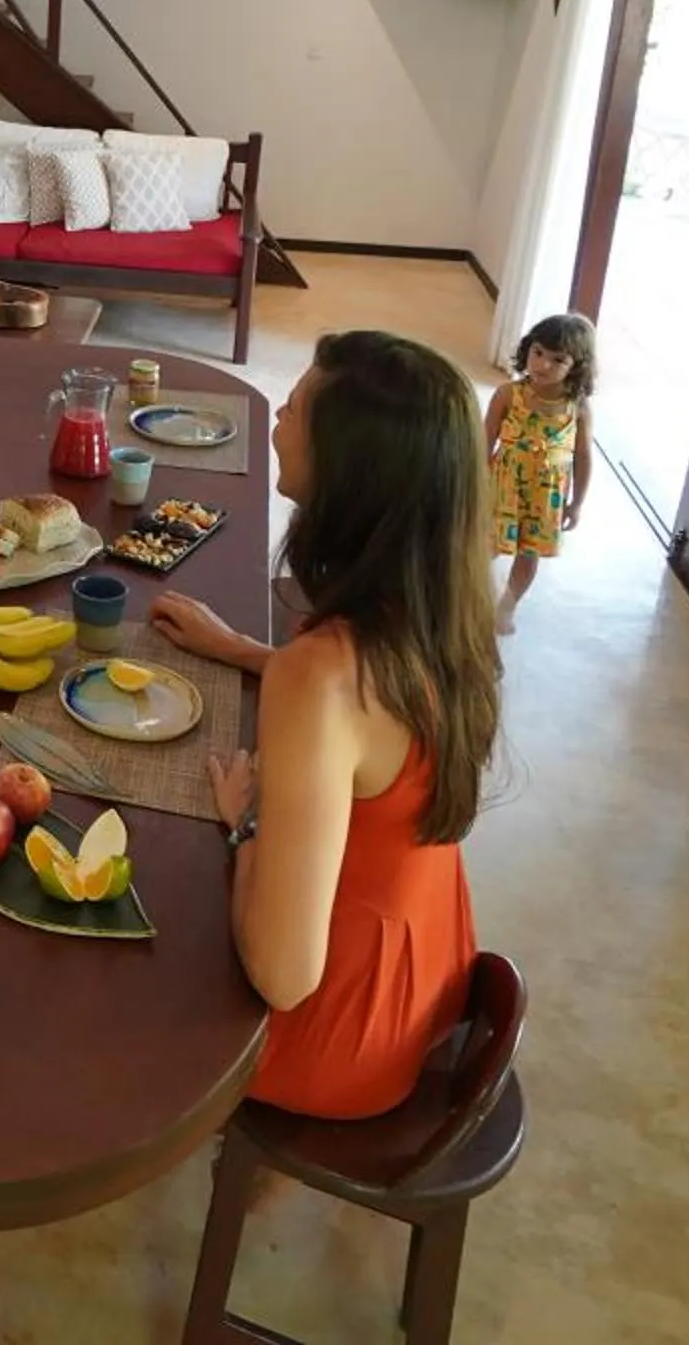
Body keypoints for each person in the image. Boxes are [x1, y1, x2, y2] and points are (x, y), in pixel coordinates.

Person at [151, 330, 500, 1120]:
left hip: (339, 1034)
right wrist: (243, 650)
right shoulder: (443, 609)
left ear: (349, 470)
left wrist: (247, 828)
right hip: (424, 975)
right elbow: (368, 726)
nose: (278, 413)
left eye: (298, 406)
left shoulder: (322, 676)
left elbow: (283, 976)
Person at [485, 312, 595, 635]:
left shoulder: (578, 408)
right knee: (486, 545)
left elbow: (583, 457)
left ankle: (508, 605)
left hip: (546, 497)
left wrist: (576, 504)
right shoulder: (508, 394)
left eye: (558, 360)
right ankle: (464, 595)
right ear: (527, 349)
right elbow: (485, 438)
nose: (543, 365)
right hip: (502, 487)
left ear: (576, 366)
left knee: (528, 553)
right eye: (538, 353)